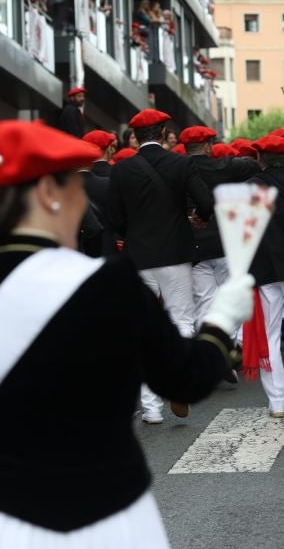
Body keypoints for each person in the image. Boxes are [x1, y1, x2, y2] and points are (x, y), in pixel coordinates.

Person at [0, 119, 254, 549]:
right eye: (74, 188)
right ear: (47, 194)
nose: (84, 202)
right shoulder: (112, 286)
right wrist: (222, 320)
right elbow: (185, 379)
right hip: (105, 519)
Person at [107, 109, 214, 424]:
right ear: (166, 132)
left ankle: (151, 409)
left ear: (135, 136)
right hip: (176, 253)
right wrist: (198, 219)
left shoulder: (122, 169)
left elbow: (114, 218)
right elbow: (206, 202)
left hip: (139, 256)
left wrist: (131, 235)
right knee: (181, 319)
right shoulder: (182, 163)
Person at [181, 126, 258, 328]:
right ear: (208, 146)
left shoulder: (177, 169)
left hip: (194, 246)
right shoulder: (223, 166)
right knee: (230, 302)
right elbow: (252, 166)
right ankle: (232, 348)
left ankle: (208, 349)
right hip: (224, 244)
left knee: (204, 302)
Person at [244, 134, 284, 416]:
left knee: (270, 333)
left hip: (266, 268)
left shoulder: (249, 188)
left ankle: (278, 401)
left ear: (260, 159)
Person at [81, 129, 118, 256]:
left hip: (80, 250)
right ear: (108, 148)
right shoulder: (118, 174)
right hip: (110, 246)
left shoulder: (72, 182)